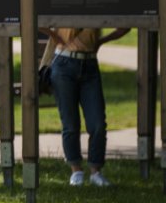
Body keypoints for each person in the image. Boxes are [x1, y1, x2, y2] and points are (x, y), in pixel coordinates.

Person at [40, 26, 130, 187]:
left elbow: (125, 26)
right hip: (63, 65)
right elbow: (35, 19)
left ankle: (96, 172)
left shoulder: (96, 5)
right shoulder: (61, 3)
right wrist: (56, 37)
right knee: (70, 123)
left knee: (98, 124)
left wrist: (100, 41)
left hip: (90, 65)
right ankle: (76, 171)